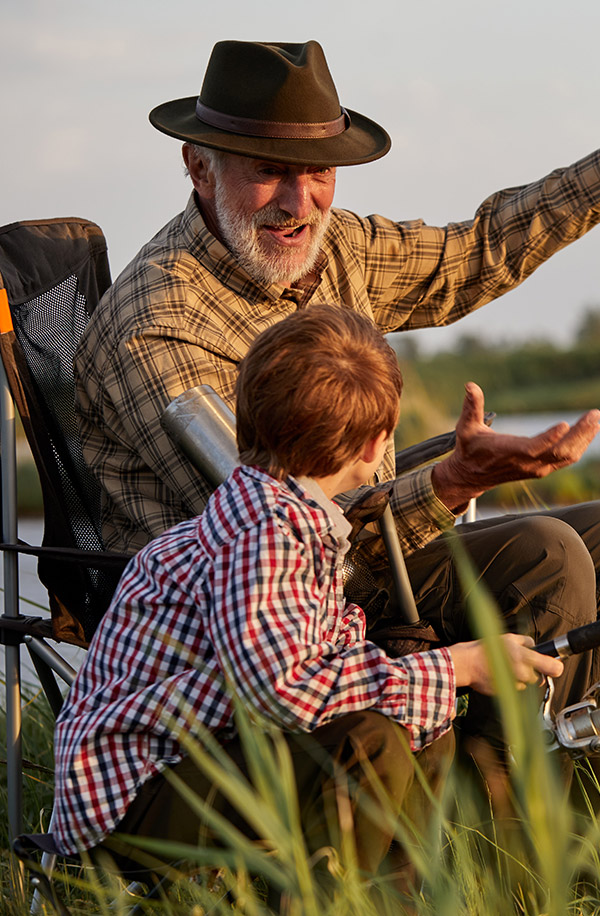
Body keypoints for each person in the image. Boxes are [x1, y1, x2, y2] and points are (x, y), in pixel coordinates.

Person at [73, 40, 600, 787]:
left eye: (318, 171)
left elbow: (477, 251)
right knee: (544, 554)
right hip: (260, 609)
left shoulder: (333, 244)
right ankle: (513, 842)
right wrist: (449, 483)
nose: (300, 202)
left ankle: (575, 804)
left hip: (351, 541)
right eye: (268, 171)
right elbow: (283, 536)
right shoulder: (159, 326)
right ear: (198, 165)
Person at [53, 305, 563, 903]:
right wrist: (459, 666)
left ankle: (400, 902)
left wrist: (431, 690)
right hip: (127, 804)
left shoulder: (293, 519)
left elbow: (310, 673)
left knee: (419, 729)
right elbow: (282, 690)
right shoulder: (264, 534)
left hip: (195, 761)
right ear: (375, 444)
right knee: (370, 742)